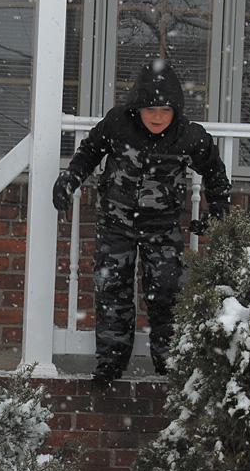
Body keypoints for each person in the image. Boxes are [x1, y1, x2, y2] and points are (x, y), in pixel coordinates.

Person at [52, 60, 231, 387]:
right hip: (115, 224)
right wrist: (70, 179)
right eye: (151, 110)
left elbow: (216, 174)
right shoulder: (118, 125)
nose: (159, 117)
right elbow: (89, 152)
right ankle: (110, 363)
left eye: (165, 110)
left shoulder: (189, 136)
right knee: (112, 288)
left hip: (162, 228)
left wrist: (218, 209)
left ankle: (169, 362)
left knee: (167, 289)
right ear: (138, 107)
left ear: (175, 110)